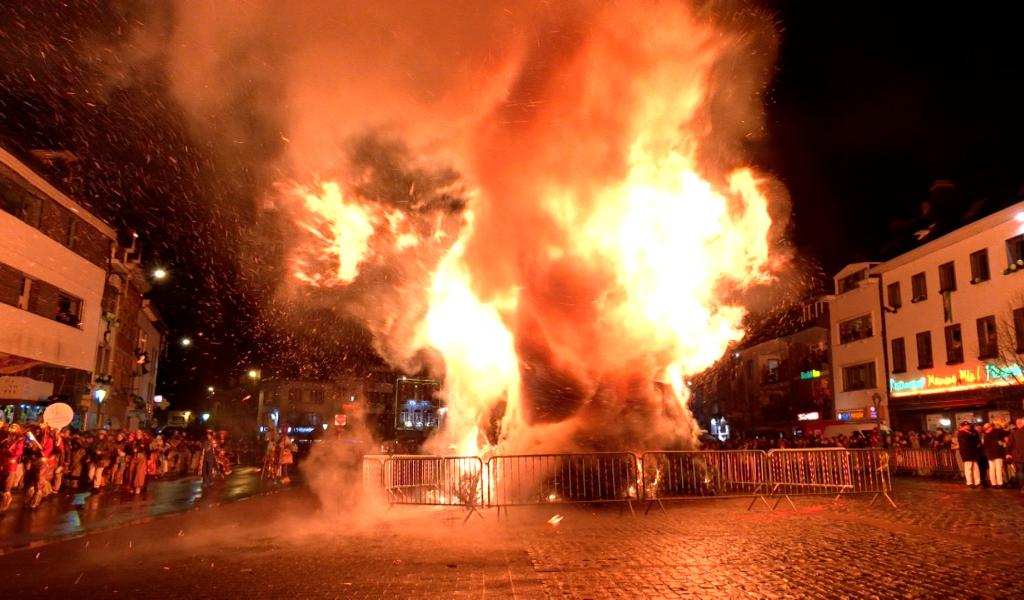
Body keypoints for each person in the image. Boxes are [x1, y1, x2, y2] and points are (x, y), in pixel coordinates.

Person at [956, 421, 982, 487]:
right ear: (962, 426)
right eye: (966, 426)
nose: (968, 426)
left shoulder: (971, 432)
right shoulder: (962, 433)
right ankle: (969, 482)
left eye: (968, 425)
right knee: (968, 468)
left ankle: (977, 481)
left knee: (975, 467)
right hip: (967, 453)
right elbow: (967, 443)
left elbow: (976, 440)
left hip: (973, 452)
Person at [981, 423, 1006, 488]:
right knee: (998, 469)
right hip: (998, 454)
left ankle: (994, 483)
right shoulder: (997, 432)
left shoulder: (986, 436)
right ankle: (1000, 483)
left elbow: (985, 447)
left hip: (991, 455)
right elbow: (1005, 432)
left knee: (992, 469)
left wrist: (988, 455)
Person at [1006, 418, 1024, 492]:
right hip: (1018, 455)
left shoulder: (1014, 433)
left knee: (1020, 471)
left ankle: (1022, 487)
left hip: (1018, 456)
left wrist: (1008, 453)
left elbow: (1009, 444)